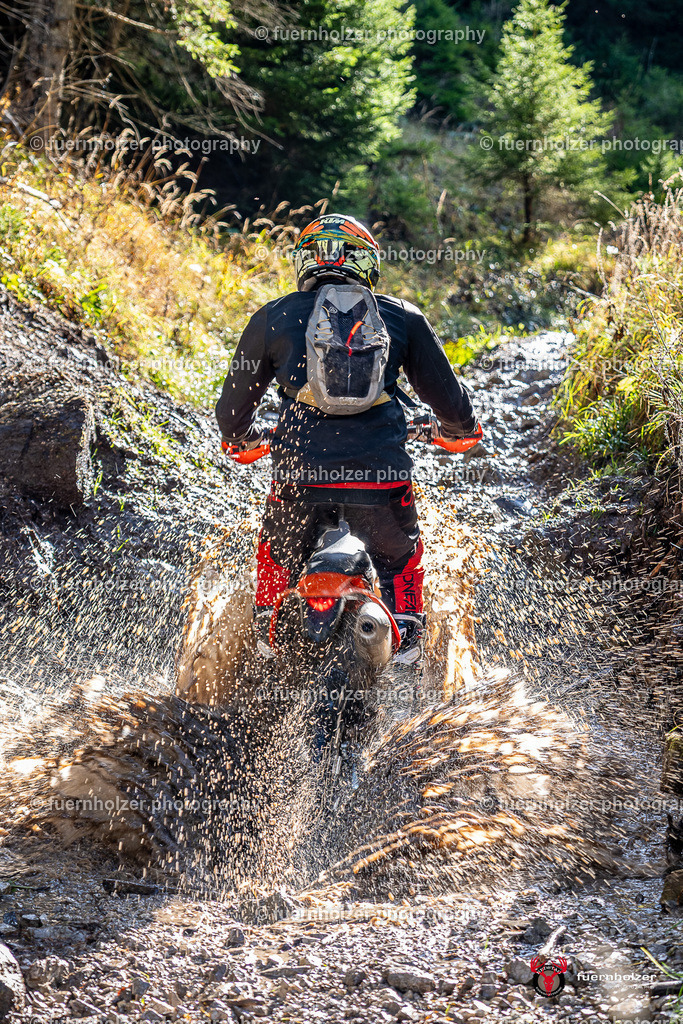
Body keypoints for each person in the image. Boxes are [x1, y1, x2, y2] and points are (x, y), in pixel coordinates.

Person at [216, 213, 478, 665]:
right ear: (367, 264)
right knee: (399, 563)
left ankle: (265, 640)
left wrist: (243, 439)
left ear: (305, 262)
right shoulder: (401, 317)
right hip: (380, 478)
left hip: (298, 478)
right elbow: (454, 410)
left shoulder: (273, 316)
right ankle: (406, 650)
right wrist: (456, 431)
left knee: (276, 560)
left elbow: (230, 415)